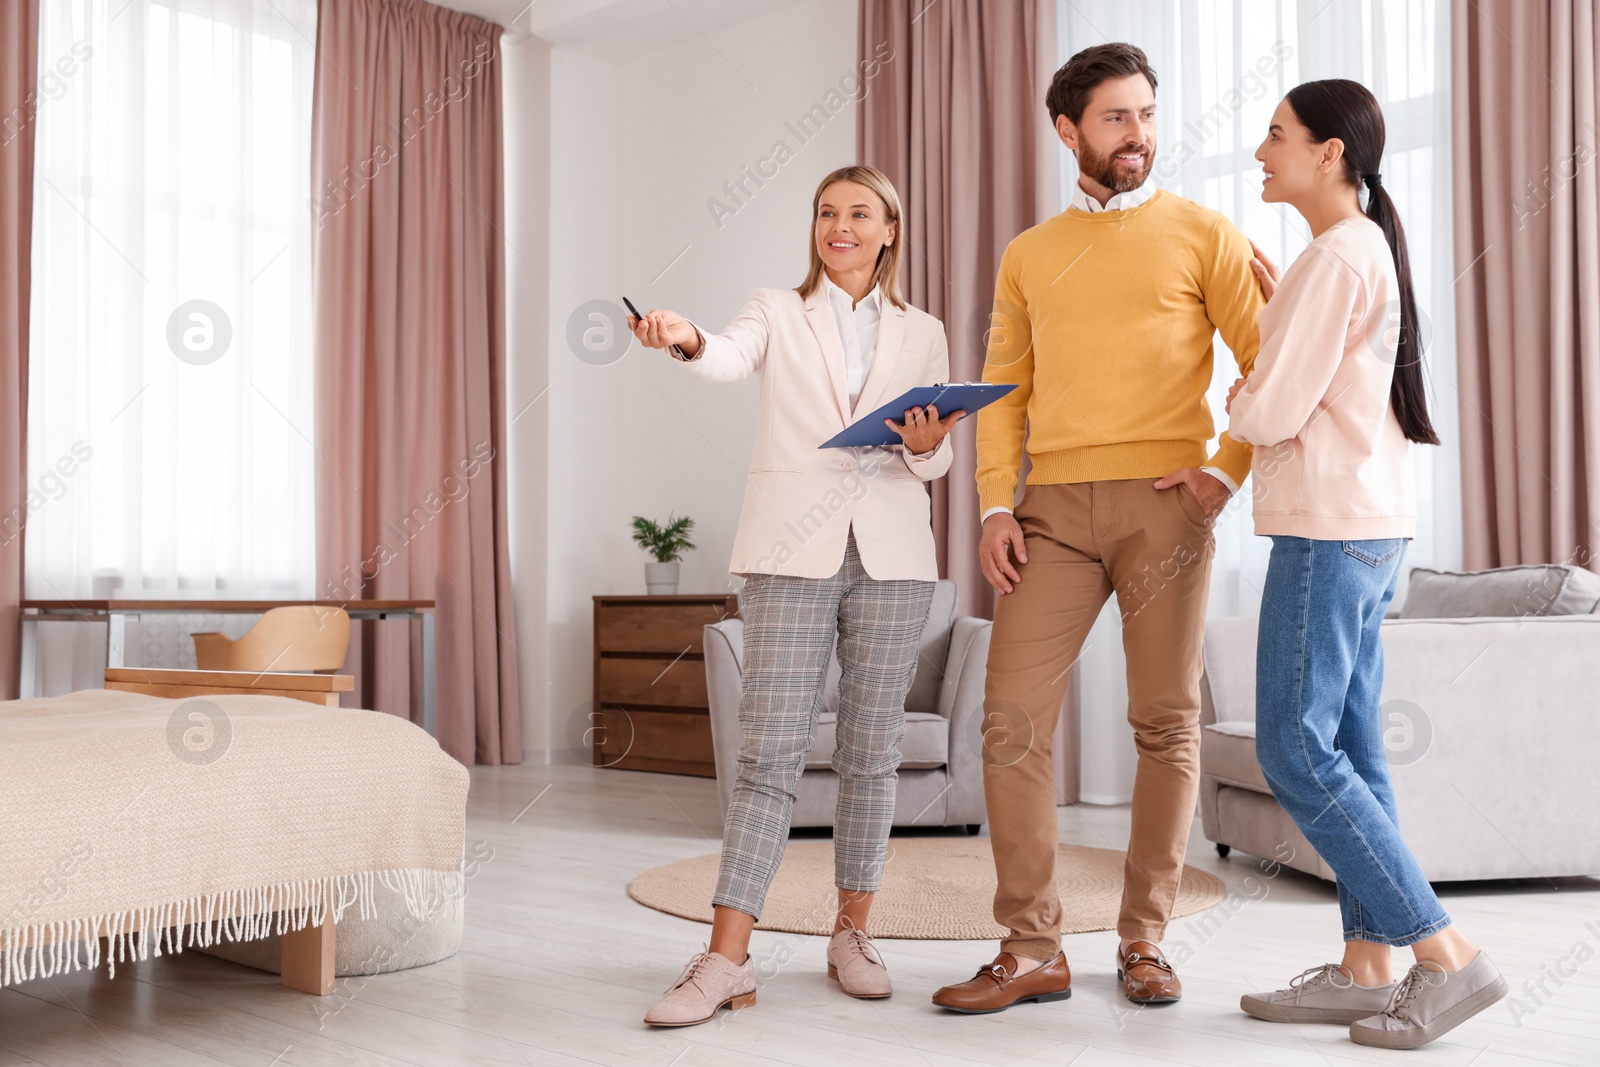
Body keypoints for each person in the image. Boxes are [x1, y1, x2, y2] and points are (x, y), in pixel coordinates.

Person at [933, 43, 1265, 1015]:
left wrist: (1222, 470)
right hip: (1051, 514)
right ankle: (1031, 942)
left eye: (1148, 115)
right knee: (1010, 720)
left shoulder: (1203, 232)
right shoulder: (1029, 252)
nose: (1139, 135)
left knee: (1163, 721)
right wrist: (995, 502)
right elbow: (1002, 390)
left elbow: (1266, 363)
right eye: (1117, 117)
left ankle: (1144, 935)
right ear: (1067, 128)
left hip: (1167, 505)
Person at [629, 164, 963, 1028]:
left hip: (892, 556)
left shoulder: (923, 331)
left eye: (858, 213)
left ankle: (853, 932)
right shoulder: (775, 309)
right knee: (769, 753)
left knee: (870, 752)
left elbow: (939, 460)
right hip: (788, 552)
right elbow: (726, 357)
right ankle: (725, 958)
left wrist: (927, 445)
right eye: (826, 212)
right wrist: (685, 337)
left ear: (890, 227)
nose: (839, 226)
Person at [1228, 79, 1505, 1051]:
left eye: (1275, 135)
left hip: (1326, 529)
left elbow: (1265, 413)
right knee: (1351, 747)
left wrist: (1246, 382)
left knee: (1295, 750)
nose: (1259, 151)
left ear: (1330, 152)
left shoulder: (1335, 257)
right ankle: (1365, 964)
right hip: (1364, 524)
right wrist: (1280, 328)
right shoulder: (1348, 252)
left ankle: (1447, 953)